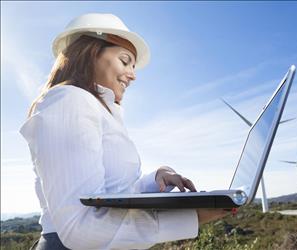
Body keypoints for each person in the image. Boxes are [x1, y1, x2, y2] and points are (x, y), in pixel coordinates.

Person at [20, 13, 228, 250]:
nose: (133, 74)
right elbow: (79, 227)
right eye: (125, 60)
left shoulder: (98, 110)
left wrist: (154, 180)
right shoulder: (69, 100)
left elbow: (108, 195)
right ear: (91, 53)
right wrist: (191, 218)